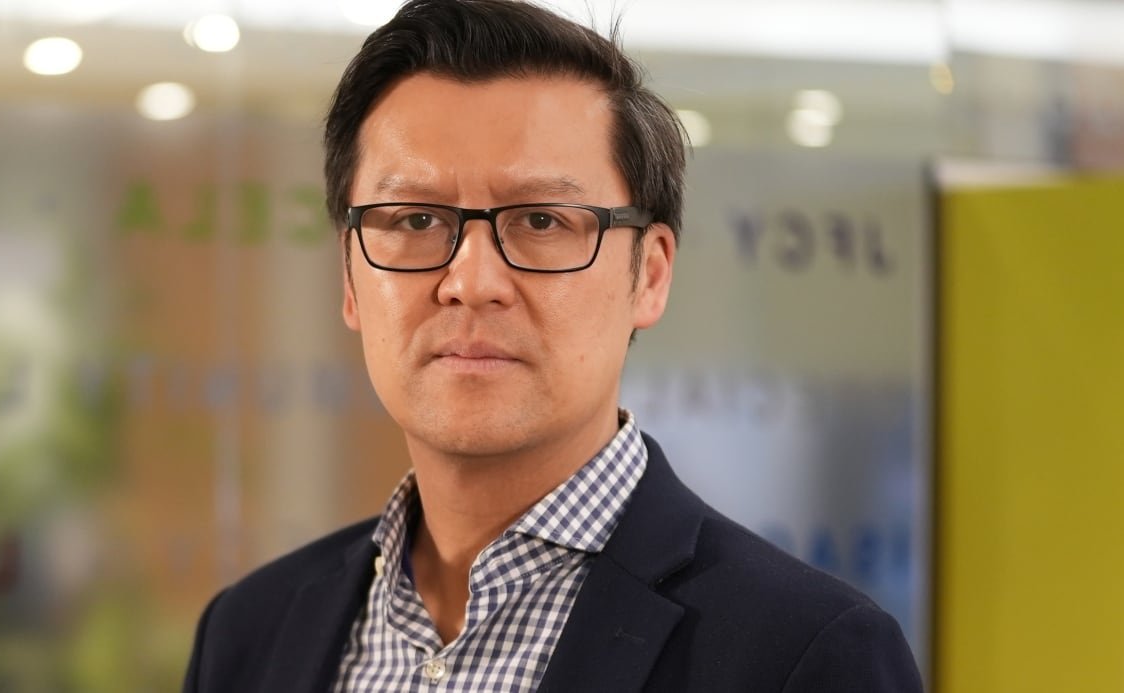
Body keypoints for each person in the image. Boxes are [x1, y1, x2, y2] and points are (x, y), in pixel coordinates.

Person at [183, 1, 924, 690]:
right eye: (413, 221)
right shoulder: (250, 633)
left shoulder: (805, 654)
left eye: (541, 221)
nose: (470, 281)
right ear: (350, 276)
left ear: (651, 275)